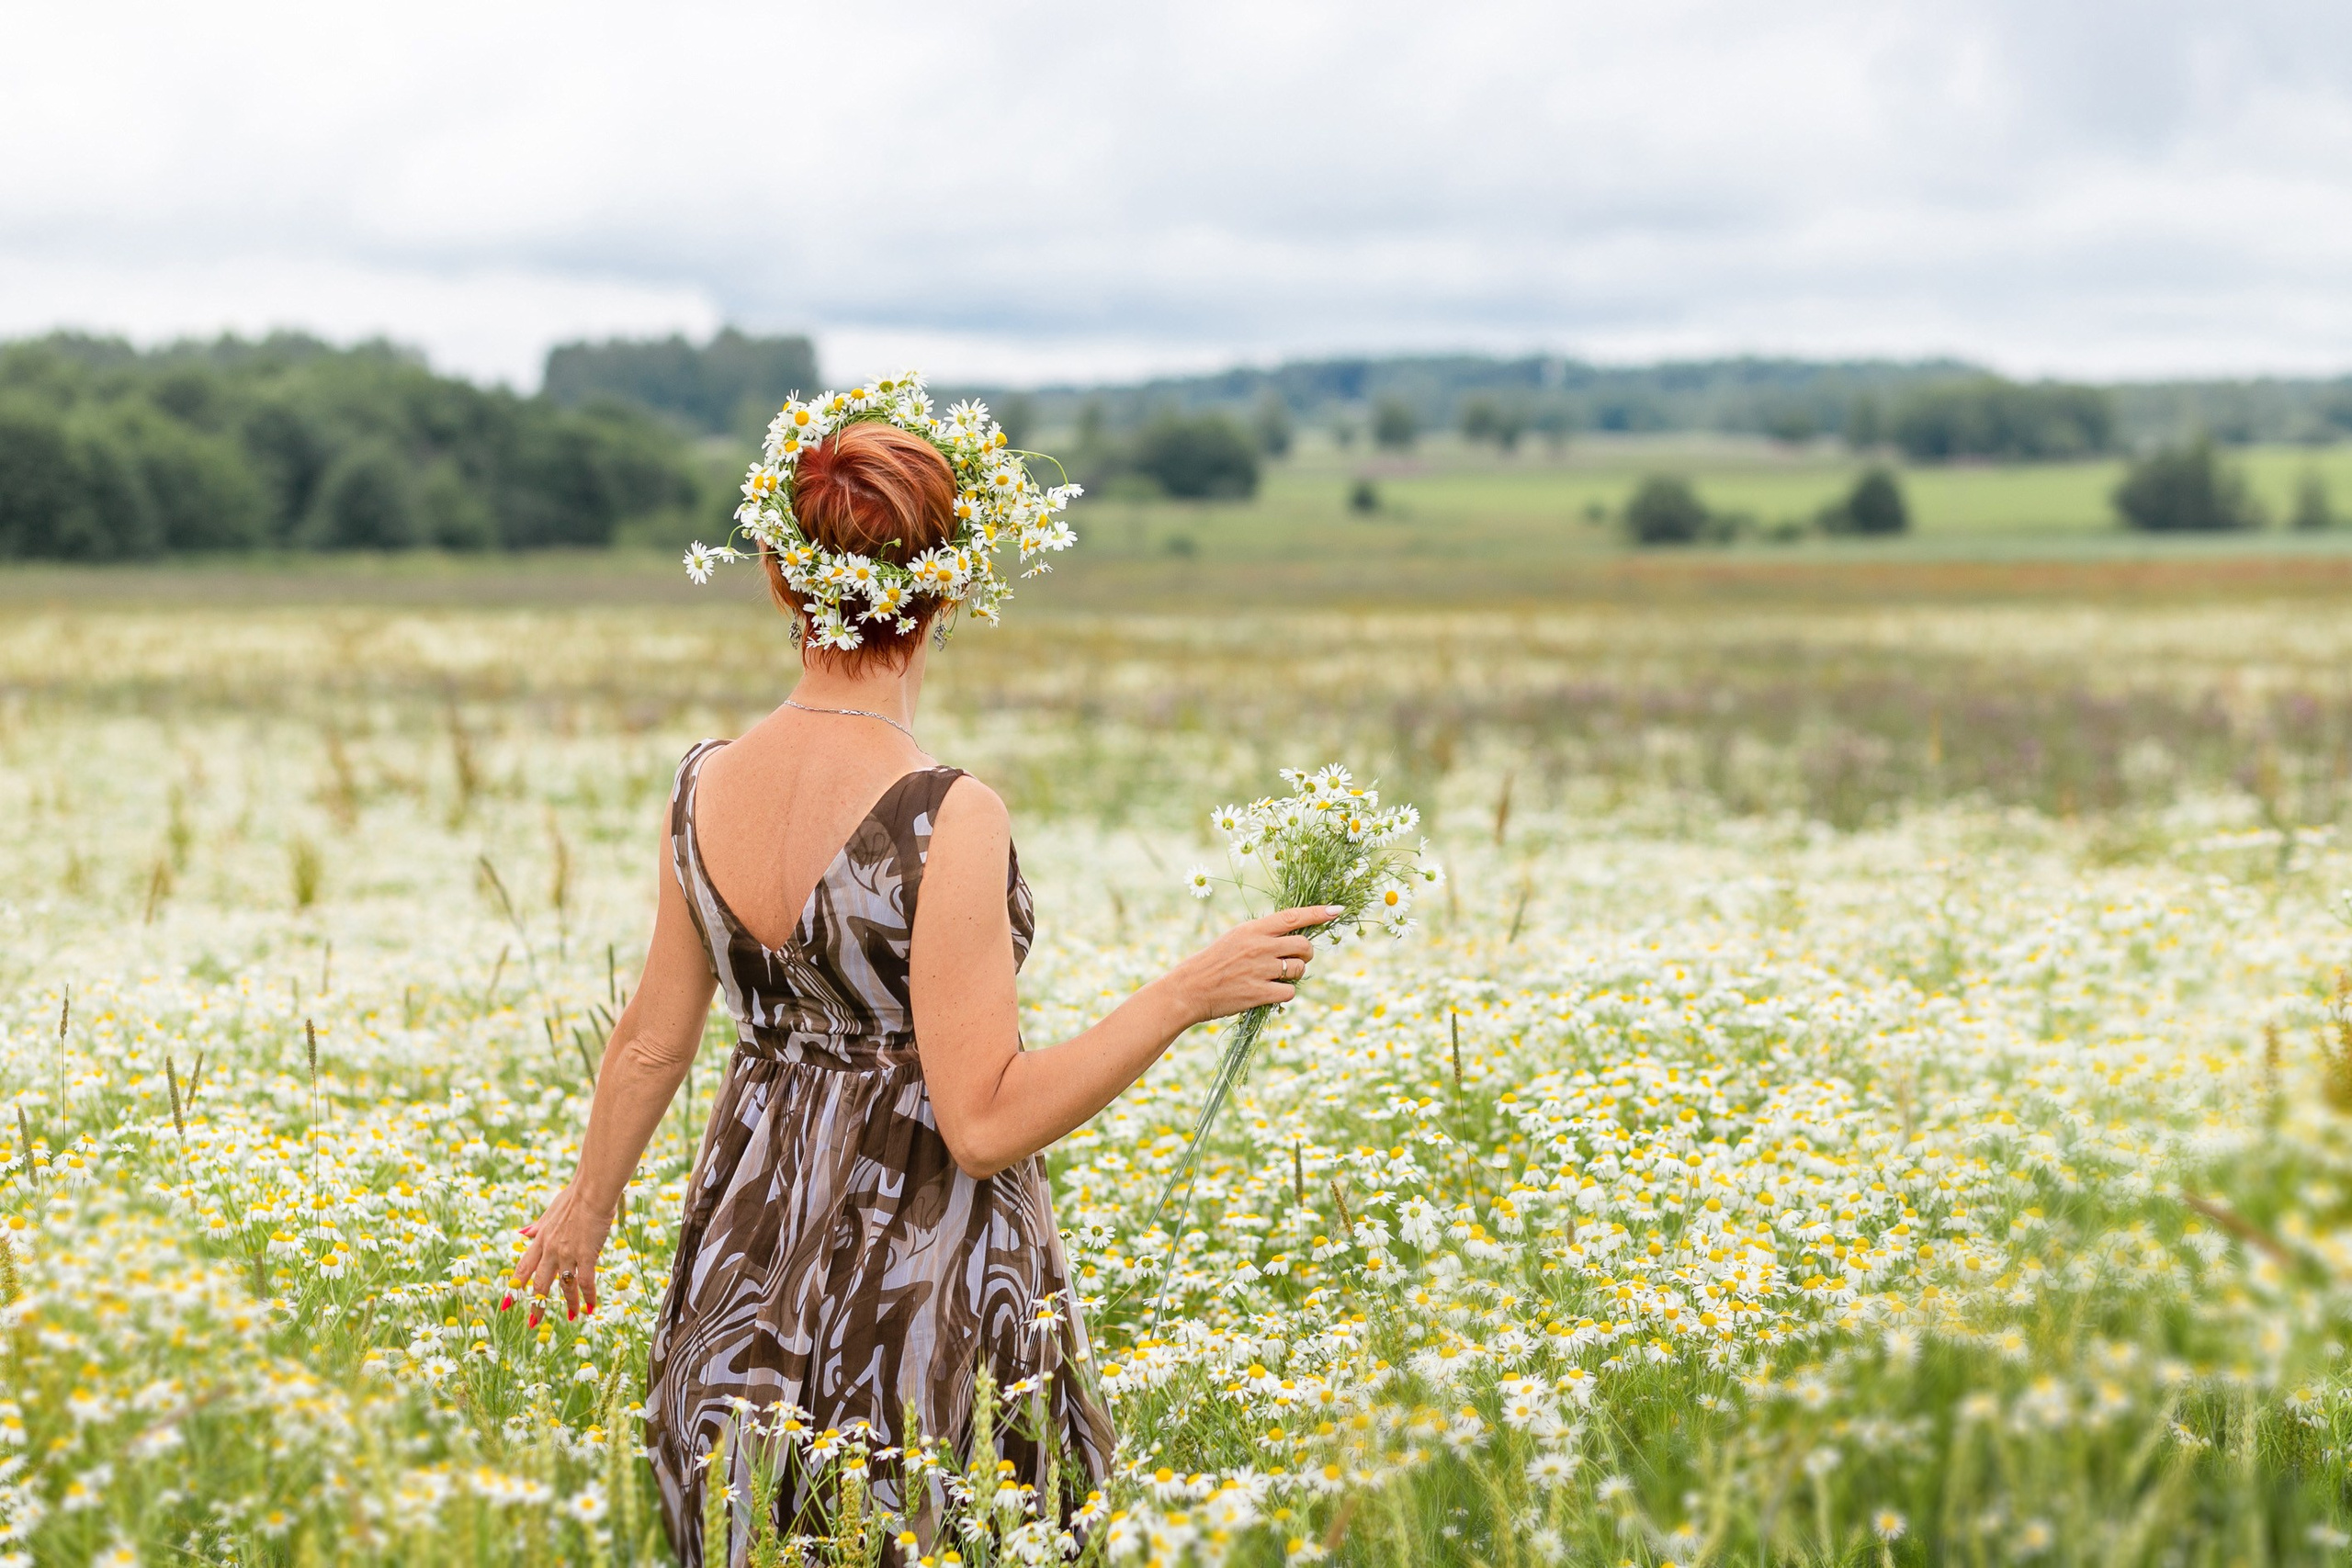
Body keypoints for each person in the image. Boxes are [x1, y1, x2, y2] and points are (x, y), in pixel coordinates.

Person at [509, 412, 1331, 1565]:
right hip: (920, 1289)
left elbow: (653, 1040)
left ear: (778, 577)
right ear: (954, 588)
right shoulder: (947, 813)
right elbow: (983, 1124)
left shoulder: (702, 784)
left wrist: (583, 1216)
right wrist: (1187, 991)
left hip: (738, 1268)